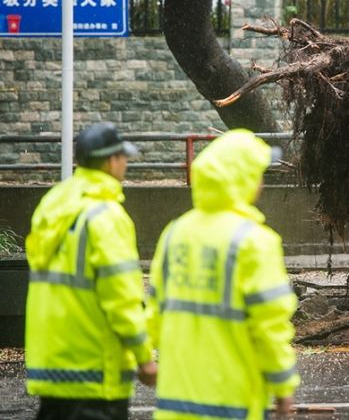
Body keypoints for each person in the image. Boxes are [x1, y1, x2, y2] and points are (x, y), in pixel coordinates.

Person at [147, 129, 299, 419]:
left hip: (175, 400)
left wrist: (143, 359)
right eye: (258, 173)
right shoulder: (254, 241)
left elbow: (154, 311)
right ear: (243, 179)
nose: (262, 181)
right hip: (232, 401)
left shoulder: (174, 234)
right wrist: (282, 385)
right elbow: (269, 327)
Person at [25, 122, 157, 420]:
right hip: (94, 369)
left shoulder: (53, 205)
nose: (126, 164)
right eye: (124, 157)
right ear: (112, 161)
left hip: (52, 366)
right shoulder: (106, 216)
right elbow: (121, 297)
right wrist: (143, 356)